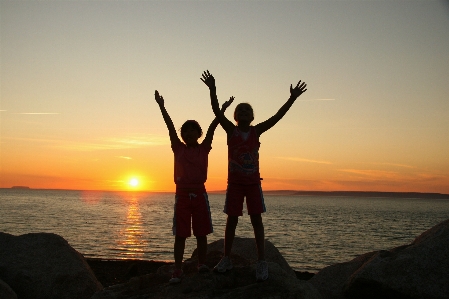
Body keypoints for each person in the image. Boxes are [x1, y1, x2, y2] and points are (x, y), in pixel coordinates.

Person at [200, 70, 307, 281]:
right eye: (241, 109)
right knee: (232, 220)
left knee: (257, 220)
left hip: (253, 184)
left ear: (253, 116)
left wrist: (291, 98)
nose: (244, 111)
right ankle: (226, 257)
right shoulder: (231, 130)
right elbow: (216, 110)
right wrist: (213, 89)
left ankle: (261, 261)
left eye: (248, 109)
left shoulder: (257, 131)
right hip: (235, 184)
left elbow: (277, 117)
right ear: (236, 116)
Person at [154, 90, 233, 284]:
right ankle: (178, 269)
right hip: (181, 196)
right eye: (186, 131)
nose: (189, 134)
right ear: (182, 135)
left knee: (201, 232)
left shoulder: (204, 148)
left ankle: (202, 264)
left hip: (199, 195)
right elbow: (170, 126)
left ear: (199, 134)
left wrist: (222, 110)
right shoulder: (177, 147)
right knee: (180, 234)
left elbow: (214, 126)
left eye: (193, 131)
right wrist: (162, 106)